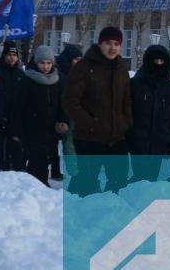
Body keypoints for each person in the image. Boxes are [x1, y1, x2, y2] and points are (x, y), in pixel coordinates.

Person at [63, 27, 133, 195]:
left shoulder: (121, 68)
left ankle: (111, 215)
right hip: (89, 138)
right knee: (87, 183)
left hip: (116, 138)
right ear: (100, 44)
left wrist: (126, 124)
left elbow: (127, 100)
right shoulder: (84, 67)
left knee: (119, 181)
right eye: (108, 43)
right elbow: (70, 102)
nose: (112, 48)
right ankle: (82, 215)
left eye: (116, 44)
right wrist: (91, 124)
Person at [128, 45, 170, 183]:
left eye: (161, 61)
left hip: (159, 143)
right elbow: (127, 111)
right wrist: (130, 135)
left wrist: (169, 137)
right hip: (138, 142)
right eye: (154, 61)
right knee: (140, 178)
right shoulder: (134, 85)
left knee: (152, 179)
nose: (158, 65)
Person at [17, 46, 68, 185]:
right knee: (36, 158)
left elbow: (61, 103)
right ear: (36, 62)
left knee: (47, 157)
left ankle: (40, 183)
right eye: (42, 63)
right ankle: (37, 184)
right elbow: (19, 106)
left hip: (50, 127)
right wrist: (18, 129)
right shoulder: (27, 80)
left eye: (48, 63)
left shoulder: (57, 80)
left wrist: (63, 119)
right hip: (32, 127)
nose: (45, 66)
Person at [53, 43, 83, 180]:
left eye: (79, 59)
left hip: (78, 113)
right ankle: (73, 173)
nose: (78, 62)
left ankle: (76, 172)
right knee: (68, 144)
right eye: (75, 59)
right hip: (64, 114)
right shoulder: (61, 75)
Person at [0, 41, 25, 171]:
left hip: (17, 115)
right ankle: (2, 163)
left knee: (16, 143)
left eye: (14, 54)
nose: (12, 57)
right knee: (1, 143)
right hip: (0, 114)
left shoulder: (20, 74)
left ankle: (16, 166)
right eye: (9, 54)